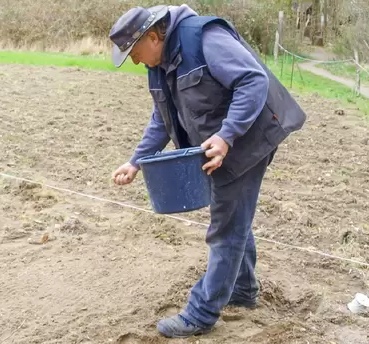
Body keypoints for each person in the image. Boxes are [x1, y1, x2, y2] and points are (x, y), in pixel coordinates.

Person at [107, 4, 306, 338]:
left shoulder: (204, 38)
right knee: (233, 215)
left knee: (225, 226)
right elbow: (162, 119)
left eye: (135, 53)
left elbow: (252, 80)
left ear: (153, 37)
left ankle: (201, 314)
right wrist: (135, 162)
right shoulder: (159, 64)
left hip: (249, 138)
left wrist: (227, 135)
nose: (136, 62)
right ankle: (243, 289)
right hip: (221, 145)